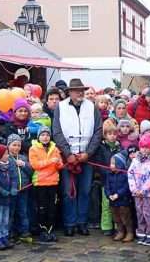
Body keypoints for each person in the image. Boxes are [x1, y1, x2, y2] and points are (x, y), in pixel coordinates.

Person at [52, 78, 103, 236]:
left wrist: (88, 153)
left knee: (85, 191)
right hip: (69, 158)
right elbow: (57, 132)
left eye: (82, 90)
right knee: (68, 192)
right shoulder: (60, 107)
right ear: (70, 92)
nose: (80, 92)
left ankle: (82, 222)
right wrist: (67, 154)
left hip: (86, 157)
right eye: (76, 90)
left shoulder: (92, 107)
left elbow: (98, 131)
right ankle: (69, 223)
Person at [29, 125, 63, 242]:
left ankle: (50, 230)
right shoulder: (33, 149)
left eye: (47, 135)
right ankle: (42, 230)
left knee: (52, 208)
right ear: (39, 137)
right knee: (42, 208)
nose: (45, 137)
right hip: (40, 182)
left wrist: (58, 163)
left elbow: (60, 165)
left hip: (53, 182)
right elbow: (35, 165)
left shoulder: (55, 148)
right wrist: (50, 161)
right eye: (42, 135)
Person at [127, 133, 150, 246]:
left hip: (149, 193)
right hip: (137, 192)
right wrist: (134, 189)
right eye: (142, 147)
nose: (144, 149)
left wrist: (144, 190)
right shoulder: (135, 160)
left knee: (149, 213)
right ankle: (141, 233)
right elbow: (130, 174)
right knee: (140, 213)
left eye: (147, 147)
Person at [105, 143, 135, 243]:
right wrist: (109, 194)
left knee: (125, 216)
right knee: (116, 217)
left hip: (123, 200)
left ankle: (129, 232)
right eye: (111, 163)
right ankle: (120, 231)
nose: (111, 166)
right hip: (113, 200)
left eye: (114, 163)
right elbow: (107, 186)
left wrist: (118, 194)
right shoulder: (109, 175)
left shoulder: (125, 175)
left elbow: (126, 187)